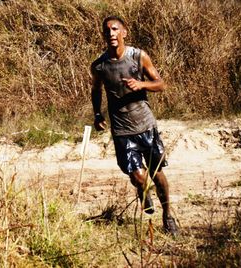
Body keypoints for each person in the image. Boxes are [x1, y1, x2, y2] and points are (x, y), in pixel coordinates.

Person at [90, 15, 178, 235]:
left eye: (115, 29)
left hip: (146, 126)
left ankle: (168, 216)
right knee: (138, 176)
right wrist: (97, 114)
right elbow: (95, 90)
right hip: (122, 131)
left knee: (157, 175)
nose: (111, 33)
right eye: (107, 30)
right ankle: (142, 190)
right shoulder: (99, 66)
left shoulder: (138, 56)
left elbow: (161, 84)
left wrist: (141, 84)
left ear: (124, 32)